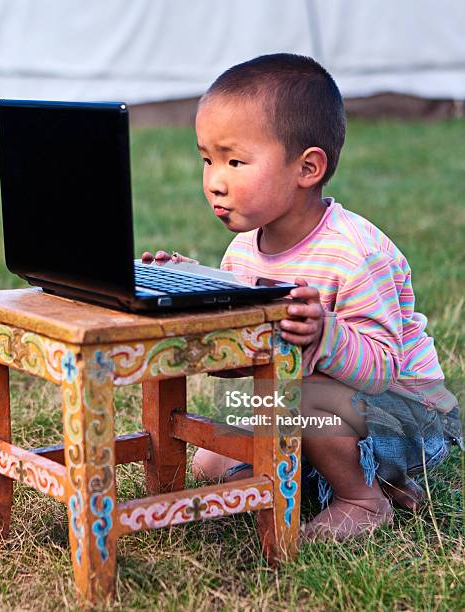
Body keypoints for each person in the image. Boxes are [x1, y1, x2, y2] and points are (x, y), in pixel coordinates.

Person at [142, 53, 461, 541]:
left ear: (307, 167)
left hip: (405, 417)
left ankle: (363, 498)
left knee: (297, 396)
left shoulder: (355, 254)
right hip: (310, 406)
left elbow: (379, 373)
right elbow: (239, 362)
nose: (214, 181)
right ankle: (343, 475)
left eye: (234, 161)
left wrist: (327, 334)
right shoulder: (243, 251)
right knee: (211, 460)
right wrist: (197, 291)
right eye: (207, 159)